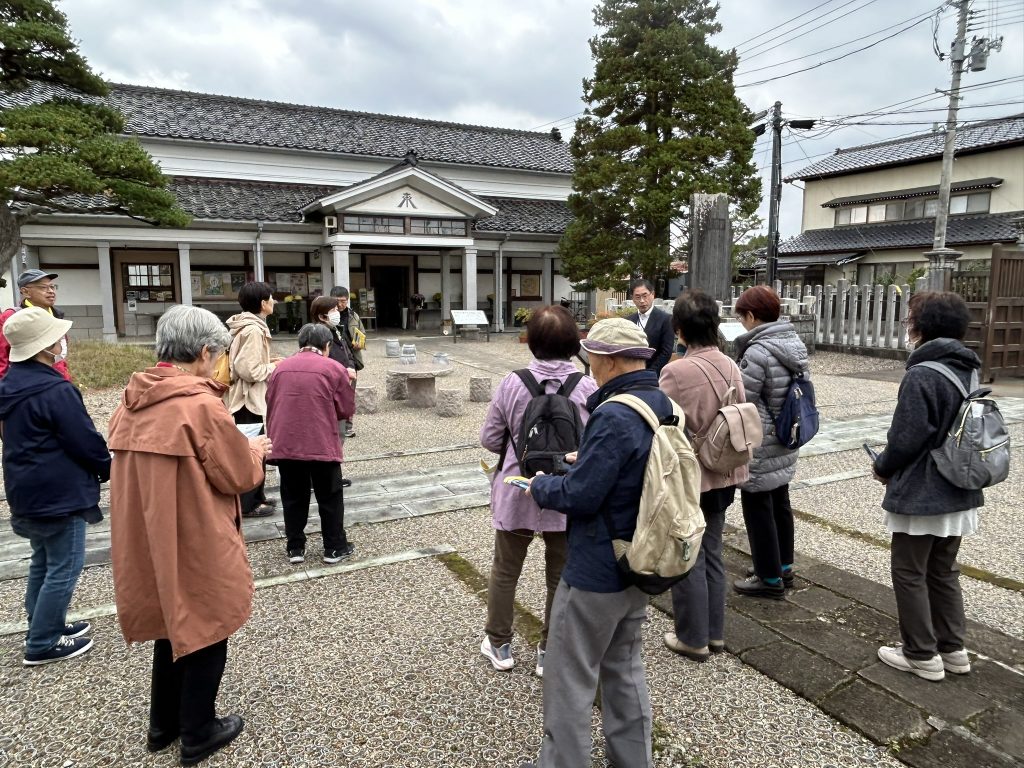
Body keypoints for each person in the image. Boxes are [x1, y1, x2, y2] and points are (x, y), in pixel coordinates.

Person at [107, 305, 270, 765]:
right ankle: (198, 729)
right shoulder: (198, 404)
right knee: (207, 626)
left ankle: (162, 726)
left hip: (147, 531)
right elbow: (236, 475)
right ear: (204, 352)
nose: (219, 362)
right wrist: (253, 448)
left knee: (171, 625)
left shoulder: (132, 397)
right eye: (218, 353)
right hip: (193, 530)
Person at [521, 317, 664, 768]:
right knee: (623, 667)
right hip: (640, 555)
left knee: (570, 675)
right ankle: (632, 760)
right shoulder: (659, 402)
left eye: (593, 355)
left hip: (597, 566)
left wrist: (541, 486)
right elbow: (630, 469)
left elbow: (583, 497)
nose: (589, 363)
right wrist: (583, 464)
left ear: (611, 359)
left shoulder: (615, 413)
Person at [478, 305, 598, 676]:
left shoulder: (512, 383)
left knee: (505, 571)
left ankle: (499, 644)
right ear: (574, 342)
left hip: (518, 490)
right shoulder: (587, 386)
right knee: (560, 575)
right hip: (565, 493)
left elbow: (489, 438)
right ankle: (550, 650)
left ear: (530, 342)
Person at [872, 291, 982, 682]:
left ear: (924, 326)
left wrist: (882, 466)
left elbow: (906, 437)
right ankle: (953, 649)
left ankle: (920, 653)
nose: (907, 327)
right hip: (960, 485)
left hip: (923, 491)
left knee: (909, 570)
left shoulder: (923, 373)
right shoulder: (968, 368)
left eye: (909, 320)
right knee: (943, 570)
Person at [0, 308, 110, 665]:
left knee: (43, 561)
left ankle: (43, 624)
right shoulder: (54, 389)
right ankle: (43, 642)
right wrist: (107, 467)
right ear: (46, 346)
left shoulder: (9, 385)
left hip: (25, 488)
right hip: (58, 493)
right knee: (64, 565)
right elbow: (83, 439)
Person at [659, 290, 748, 661]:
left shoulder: (675, 371)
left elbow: (661, 423)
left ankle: (692, 638)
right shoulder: (731, 365)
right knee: (711, 549)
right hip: (725, 471)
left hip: (692, 475)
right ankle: (714, 633)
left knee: (687, 551)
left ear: (678, 329)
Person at [731, 285, 809, 599]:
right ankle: (783, 566)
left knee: (757, 505)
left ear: (751, 316)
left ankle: (769, 578)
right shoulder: (793, 343)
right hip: (786, 432)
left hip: (762, 439)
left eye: (742, 317)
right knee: (780, 501)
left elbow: (744, 399)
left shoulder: (757, 351)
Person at [266, 323, 356, 565]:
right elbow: (346, 408)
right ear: (327, 346)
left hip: (286, 442)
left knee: (293, 495)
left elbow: (270, 401)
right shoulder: (334, 368)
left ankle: (295, 548)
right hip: (320, 441)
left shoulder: (280, 369)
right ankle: (334, 547)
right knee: (330, 495)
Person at [225, 281, 280, 517]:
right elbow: (249, 370)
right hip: (246, 399)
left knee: (256, 446)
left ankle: (257, 496)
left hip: (244, 397)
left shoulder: (244, 325)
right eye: (271, 298)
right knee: (253, 450)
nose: (274, 302)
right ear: (262, 303)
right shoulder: (254, 330)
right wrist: (274, 367)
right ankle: (248, 504)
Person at [311, 295, 358, 488]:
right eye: (333, 310)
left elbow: (346, 353)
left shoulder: (333, 330)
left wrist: (352, 365)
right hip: (330, 391)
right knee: (330, 435)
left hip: (341, 386)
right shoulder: (319, 334)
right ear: (322, 316)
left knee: (338, 434)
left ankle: (332, 475)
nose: (337, 313)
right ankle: (324, 478)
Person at [0, 269, 71, 381]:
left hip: (57, 379)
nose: (51, 291)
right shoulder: (12, 317)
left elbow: (60, 354)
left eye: (52, 287)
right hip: (26, 384)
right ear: (25, 291)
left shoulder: (56, 315)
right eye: (43, 287)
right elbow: (2, 357)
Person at [330, 286, 365, 438]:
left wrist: (360, 343)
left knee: (349, 395)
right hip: (332, 359)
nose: (341, 305)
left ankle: (348, 426)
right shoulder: (327, 316)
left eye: (344, 301)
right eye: (338, 301)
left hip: (351, 359)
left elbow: (362, 334)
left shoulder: (353, 316)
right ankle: (332, 425)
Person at [625, 278, 674, 376]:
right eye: (637, 297)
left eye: (645, 296)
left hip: (654, 375)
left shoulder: (665, 319)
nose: (642, 301)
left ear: (653, 295)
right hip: (630, 373)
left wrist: (650, 373)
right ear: (632, 298)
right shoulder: (628, 321)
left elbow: (666, 352)